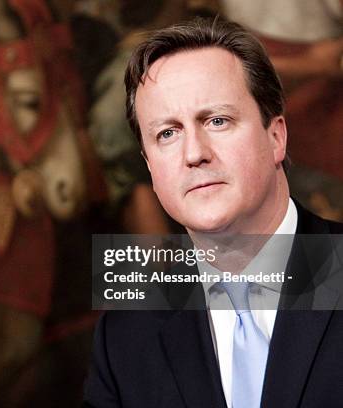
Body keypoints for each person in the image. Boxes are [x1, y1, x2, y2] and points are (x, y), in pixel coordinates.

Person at [84, 18, 343, 408]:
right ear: (150, 165)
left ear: (276, 137)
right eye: (167, 133)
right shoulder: (125, 333)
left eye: (217, 120)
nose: (194, 153)